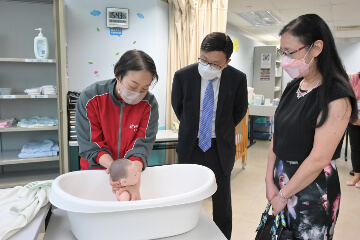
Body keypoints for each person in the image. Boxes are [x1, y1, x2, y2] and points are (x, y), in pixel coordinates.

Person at [266, 14, 358, 240]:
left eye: (290, 52)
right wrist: (269, 180)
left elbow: (319, 159)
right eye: (282, 53)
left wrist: (283, 195)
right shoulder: (294, 86)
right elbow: (277, 136)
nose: (285, 59)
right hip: (283, 184)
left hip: (313, 192)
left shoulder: (336, 95)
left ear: (316, 48)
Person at [171, 32, 248, 239]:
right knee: (187, 198)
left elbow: (239, 111)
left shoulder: (237, 79)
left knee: (222, 201)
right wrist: (194, 128)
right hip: (191, 145)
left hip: (219, 147)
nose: (208, 66)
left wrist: (220, 129)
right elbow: (179, 107)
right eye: (204, 60)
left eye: (215, 64)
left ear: (226, 62)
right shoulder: (183, 76)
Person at [76, 50, 159, 200]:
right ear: (118, 75)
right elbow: (91, 144)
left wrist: (131, 178)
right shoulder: (90, 97)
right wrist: (116, 172)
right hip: (96, 171)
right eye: (133, 86)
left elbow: (142, 144)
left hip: (132, 173)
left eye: (144, 88)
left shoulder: (149, 104)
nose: (138, 93)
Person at [346, 72, 360, 188]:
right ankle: (357, 174)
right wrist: (353, 117)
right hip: (354, 118)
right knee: (355, 147)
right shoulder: (355, 77)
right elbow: (349, 97)